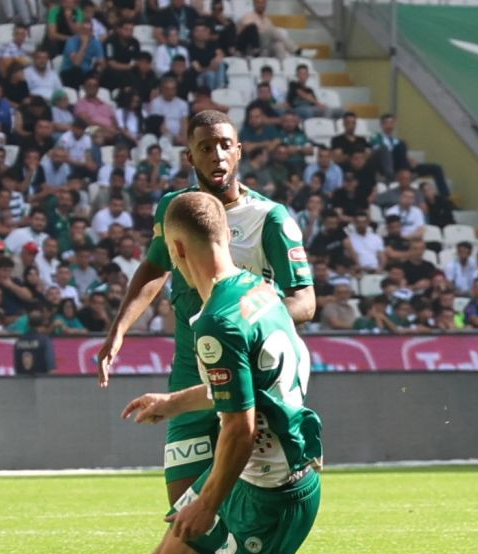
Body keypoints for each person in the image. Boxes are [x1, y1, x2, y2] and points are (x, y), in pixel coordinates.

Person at [120, 192, 393, 554]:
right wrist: (175, 403)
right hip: (253, 475)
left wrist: (206, 503)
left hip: (274, 492)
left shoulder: (216, 322)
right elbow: (250, 385)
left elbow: (240, 429)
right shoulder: (259, 290)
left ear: (176, 249)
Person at [96, 110, 316, 511]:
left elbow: (305, 301)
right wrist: (119, 330)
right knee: (183, 516)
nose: (216, 155)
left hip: (248, 372)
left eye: (224, 146)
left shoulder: (269, 218)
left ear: (238, 152)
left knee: (248, 511)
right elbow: (153, 267)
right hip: (188, 373)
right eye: (205, 148)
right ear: (190, 158)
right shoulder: (175, 210)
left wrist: (253, 318)